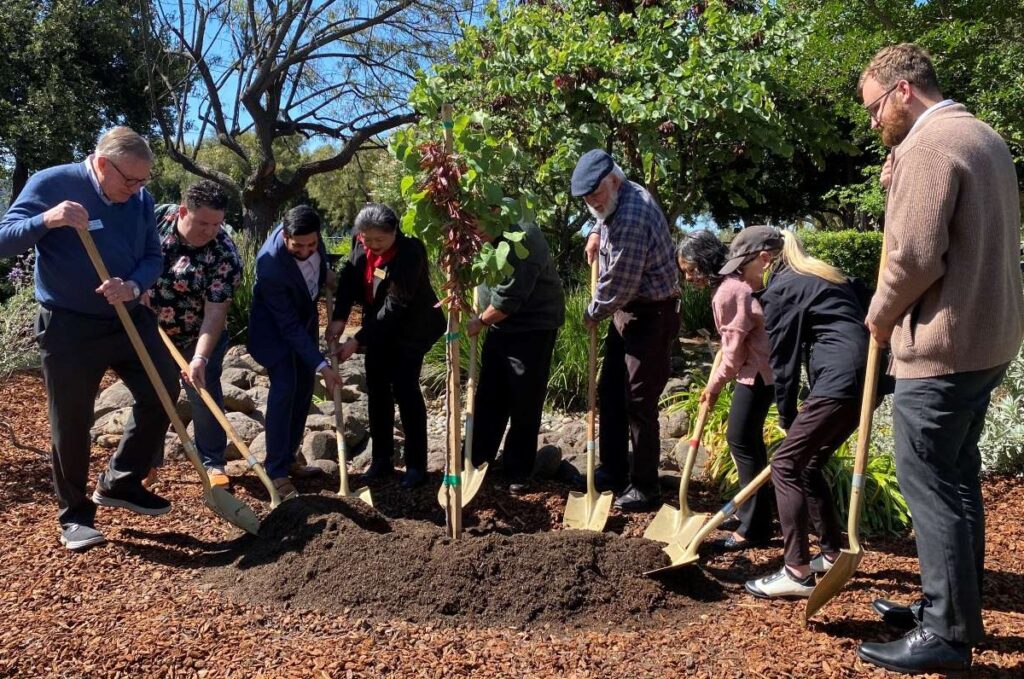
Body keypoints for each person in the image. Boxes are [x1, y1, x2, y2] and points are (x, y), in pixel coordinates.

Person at [855, 44, 1024, 675]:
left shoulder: (929, 146)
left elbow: (916, 256)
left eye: (874, 108)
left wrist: (880, 312)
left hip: (944, 345)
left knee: (928, 479)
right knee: (956, 475)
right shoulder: (981, 135)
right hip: (989, 340)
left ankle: (945, 631)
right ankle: (954, 601)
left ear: (903, 91)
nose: (873, 122)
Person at [0, 126, 179, 551]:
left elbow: (154, 256)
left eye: (143, 181)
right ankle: (76, 516)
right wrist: (49, 219)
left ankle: (121, 481)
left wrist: (133, 286)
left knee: (164, 389)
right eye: (129, 180)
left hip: (127, 317)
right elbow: (4, 242)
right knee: (72, 420)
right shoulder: (53, 183)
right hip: (69, 325)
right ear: (101, 164)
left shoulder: (139, 200)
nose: (136, 189)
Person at [728, 227, 868, 599]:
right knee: (807, 465)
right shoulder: (823, 274)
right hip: (862, 381)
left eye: (742, 268)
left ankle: (797, 571)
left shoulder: (783, 288)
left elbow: (784, 362)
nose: (739, 277)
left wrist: (787, 416)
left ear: (764, 258)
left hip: (838, 381)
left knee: (786, 465)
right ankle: (832, 553)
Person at [571, 149, 680, 512]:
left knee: (638, 400)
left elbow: (619, 285)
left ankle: (646, 487)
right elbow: (603, 216)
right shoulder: (617, 198)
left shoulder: (634, 214)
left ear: (613, 181)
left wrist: (592, 312)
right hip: (627, 313)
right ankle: (613, 469)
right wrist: (594, 232)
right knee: (610, 392)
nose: (592, 202)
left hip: (650, 315)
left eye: (595, 195)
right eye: (586, 198)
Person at [327, 204, 444, 489]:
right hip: (378, 326)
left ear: (394, 233)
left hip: (412, 327)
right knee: (377, 387)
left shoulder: (411, 252)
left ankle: (417, 466)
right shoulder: (360, 242)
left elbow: (395, 307)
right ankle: (381, 459)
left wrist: (357, 340)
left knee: (405, 387)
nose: (373, 245)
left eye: (381, 240)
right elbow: (349, 282)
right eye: (368, 240)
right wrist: (340, 319)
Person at [677, 229, 774, 550]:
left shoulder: (727, 292)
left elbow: (732, 354)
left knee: (741, 440)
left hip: (758, 373)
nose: (689, 278)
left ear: (705, 261)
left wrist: (715, 385)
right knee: (749, 442)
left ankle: (755, 528)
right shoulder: (733, 285)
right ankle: (755, 513)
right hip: (761, 371)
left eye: (691, 270)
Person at [147, 180, 241, 490]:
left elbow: (215, 314)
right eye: (204, 222)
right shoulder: (157, 218)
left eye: (218, 223)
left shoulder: (224, 254)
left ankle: (213, 462)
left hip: (198, 336)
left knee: (203, 393)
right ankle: (147, 460)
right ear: (184, 211)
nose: (211, 230)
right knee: (154, 393)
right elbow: (130, 252)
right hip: (152, 328)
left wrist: (199, 357)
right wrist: (135, 285)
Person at [248, 205, 342, 499]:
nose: (305, 251)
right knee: (286, 388)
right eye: (297, 245)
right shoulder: (270, 265)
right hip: (274, 333)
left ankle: (289, 457)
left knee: (303, 391)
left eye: (312, 244)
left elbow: (313, 265)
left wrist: (325, 271)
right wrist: (322, 365)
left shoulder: (311, 235)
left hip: (304, 324)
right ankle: (275, 470)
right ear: (285, 235)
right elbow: (287, 325)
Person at [465, 220, 565, 495]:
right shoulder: (476, 229)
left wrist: (480, 322)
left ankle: (518, 469)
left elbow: (509, 298)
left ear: (494, 211)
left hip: (533, 325)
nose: (476, 231)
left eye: (479, 225)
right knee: (489, 394)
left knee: (524, 398)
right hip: (499, 324)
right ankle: (476, 461)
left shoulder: (523, 238)